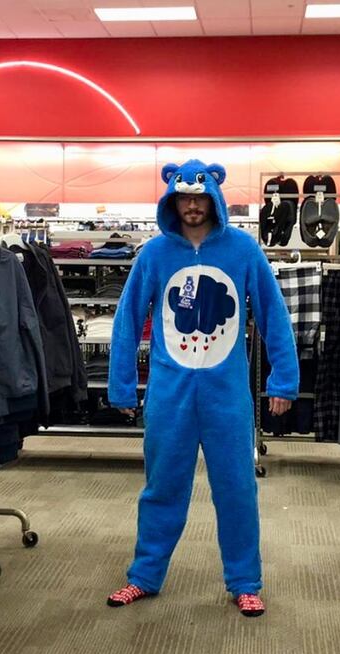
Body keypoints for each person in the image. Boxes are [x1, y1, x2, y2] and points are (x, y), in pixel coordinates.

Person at [107, 159, 299, 617]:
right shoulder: (154, 254)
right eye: (184, 198)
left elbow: (273, 314)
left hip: (226, 395)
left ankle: (245, 582)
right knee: (161, 487)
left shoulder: (243, 250)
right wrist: (121, 386)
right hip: (169, 393)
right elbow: (127, 320)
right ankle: (144, 575)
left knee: (236, 488)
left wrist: (284, 379)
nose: (192, 206)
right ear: (172, 200)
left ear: (214, 198)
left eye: (199, 197)